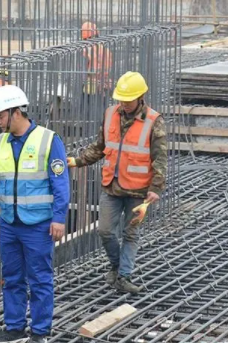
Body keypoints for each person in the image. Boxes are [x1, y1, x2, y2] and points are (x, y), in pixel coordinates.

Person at [0, 85, 70, 343]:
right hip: (9, 223)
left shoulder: (49, 140)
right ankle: (15, 326)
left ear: (15, 112)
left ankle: (40, 332)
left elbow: (60, 183)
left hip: (38, 225)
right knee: (12, 277)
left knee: (39, 279)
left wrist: (59, 218)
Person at [67, 71, 167, 293]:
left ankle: (123, 276)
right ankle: (115, 267)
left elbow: (160, 157)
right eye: (121, 99)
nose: (124, 103)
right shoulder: (110, 113)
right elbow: (100, 147)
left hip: (138, 189)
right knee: (105, 231)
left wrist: (155, 188)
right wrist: (77, 160)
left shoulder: (153, 121)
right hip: (111, 186)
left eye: (128, 99)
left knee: (130, 234)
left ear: (140, 97)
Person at [80, 22, 113, 135]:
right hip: (104, 86)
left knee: (88, 115)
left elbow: (82, 72)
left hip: (90, 88)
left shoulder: (85, 51)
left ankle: (90, 135)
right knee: (101, 114)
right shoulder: (106, 50)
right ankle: (101, 134)